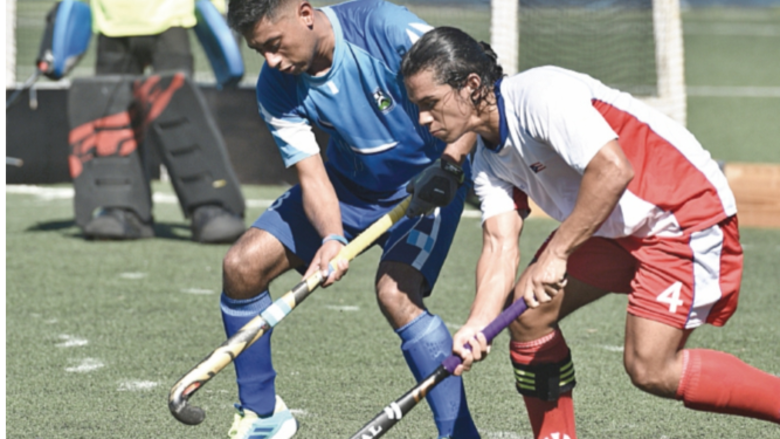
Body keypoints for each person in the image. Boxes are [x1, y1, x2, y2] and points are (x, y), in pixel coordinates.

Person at [401, 26, 780, 439]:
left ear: (471, 86)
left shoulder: (540, 95)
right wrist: (476, 322)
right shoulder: (486, 158)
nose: (423, 118)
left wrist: (557, 252)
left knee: (650, 368)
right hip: (613, 224)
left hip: (678, 211)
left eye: (430, 103)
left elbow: (613, 170)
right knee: (528, 317)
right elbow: (499, 244)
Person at [220, 1, 481, 438]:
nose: (271, 61)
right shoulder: (276, 87)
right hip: (348, 187)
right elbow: (311, 173)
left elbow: (474, 93)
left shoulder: (385, 27)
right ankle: (263, 415)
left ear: (304, 13)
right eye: (259, 51)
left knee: (396, 294)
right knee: (242, 266)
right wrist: (331, 236)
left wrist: (452, 164)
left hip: (430, 180)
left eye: (275, 45)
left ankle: (461, 435)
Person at [67, 0, 247, 243]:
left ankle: (209, 205)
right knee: (113, 114)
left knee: (180, 111)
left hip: (171, 17)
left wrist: (222, 13)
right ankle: (122, 208)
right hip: (110, 22)